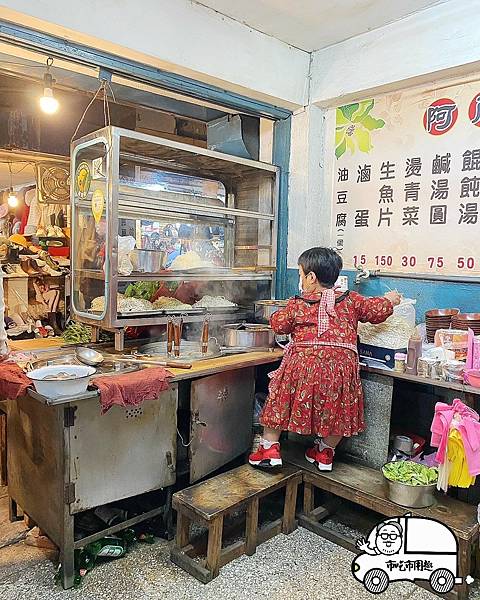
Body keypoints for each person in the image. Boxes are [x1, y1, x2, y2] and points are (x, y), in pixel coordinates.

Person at [249, 247, 401, 471]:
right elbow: (375, 311)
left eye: (300, 275)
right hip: (340, 370)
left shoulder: (298, 302)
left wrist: (274, 314)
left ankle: (269, 450)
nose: (300, 280)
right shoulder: (351, 300)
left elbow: (279, 324)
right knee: (340, 409)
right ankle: (325, 453)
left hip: (302, 367)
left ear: (311, 277)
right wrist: (391, 300)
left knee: (279, 401)